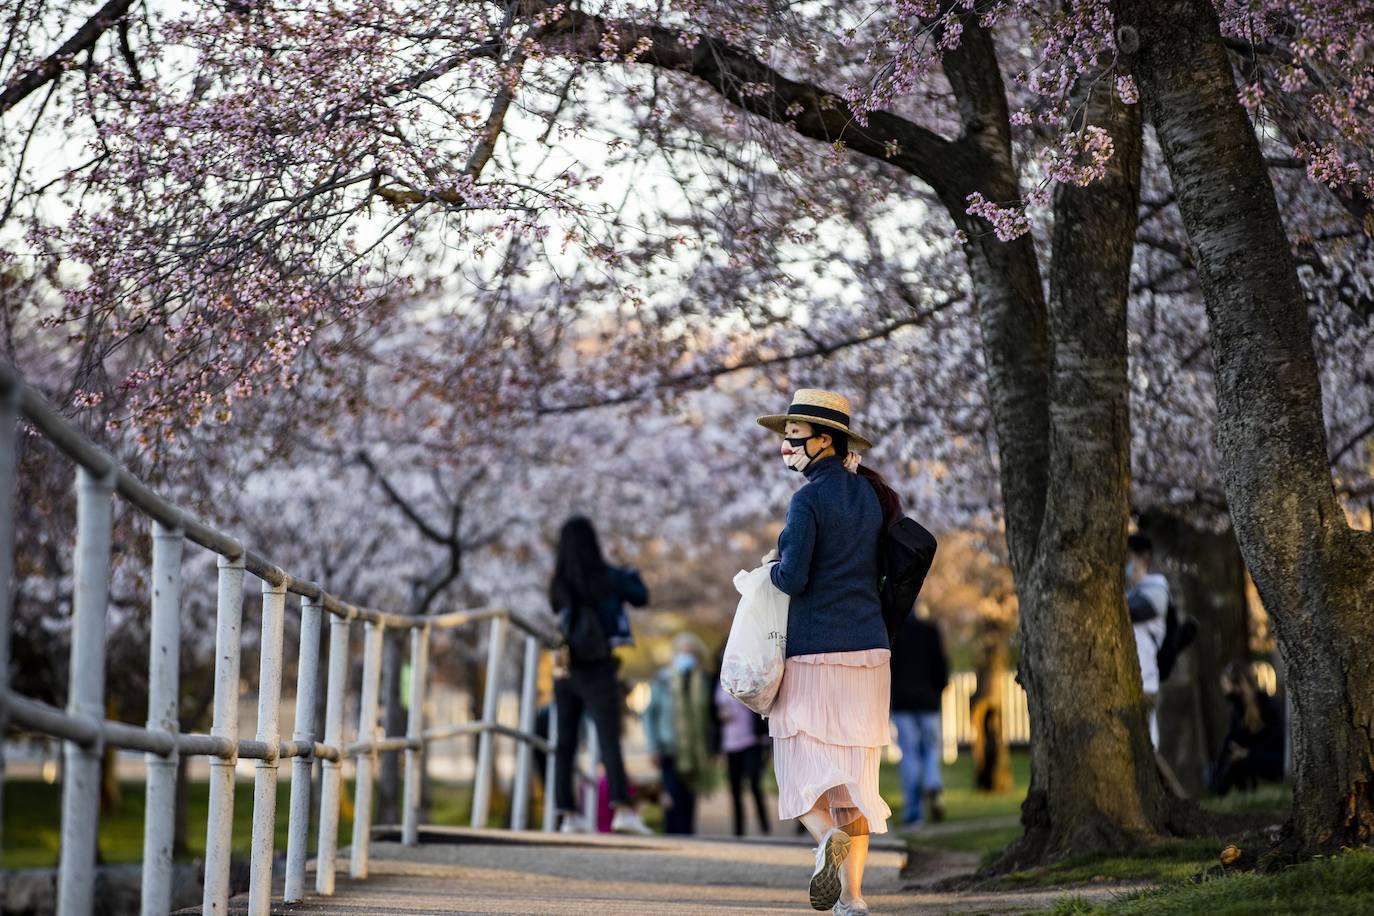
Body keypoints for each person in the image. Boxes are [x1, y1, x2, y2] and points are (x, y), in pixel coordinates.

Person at [757, 389, 901, 916]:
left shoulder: (808, 500)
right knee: (854, 786)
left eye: (795, 438)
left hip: (816, 653)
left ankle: (824, 841)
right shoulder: (873, 495)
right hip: (869, 656)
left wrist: (772, 566)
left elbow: (793, 579)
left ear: (825, 441)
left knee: (800, 776)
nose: (787, 447)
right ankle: (853, 899)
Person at [549, 515, 653, 835]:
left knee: (565, 742)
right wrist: (627, 568)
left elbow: (557, 612)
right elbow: (641, 596)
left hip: (566, 668)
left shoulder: (559, 582)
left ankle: (567, 815)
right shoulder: (607, 576)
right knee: (609, 739)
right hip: (599, 667)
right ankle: (622, 809)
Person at [644, 632, 715, 834]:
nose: (687, 657)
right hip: (669, 748)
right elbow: (649, 715)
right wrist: (653, 747)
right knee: (672, 797)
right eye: (683, 652)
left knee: (689, 798)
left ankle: (687, 838)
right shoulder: (663, 680)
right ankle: (671, 836)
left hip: (695, 752)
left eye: (691, 652)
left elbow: (710, 717)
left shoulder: (704, 682)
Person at [889, 610, 949, 829]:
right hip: (928, 701)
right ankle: (932, 782)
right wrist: (937, 691)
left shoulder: (894, 633)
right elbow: (942, 667)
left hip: (903, 702)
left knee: (909, 754)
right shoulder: (930, 631)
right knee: (931, 749)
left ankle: (914, 813)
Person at [1210, 661, 1285, 795]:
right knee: (1232, 758)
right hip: (1252, 756)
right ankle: (1216, 790)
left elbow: (1277, 739)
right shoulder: (1239, 708)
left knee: (1239, 762)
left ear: (1238, 684)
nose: (1224, 689)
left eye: (1226, 684)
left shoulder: (1265, 703)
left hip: (1273, 759)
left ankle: (1218, 793)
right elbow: (1232, 739)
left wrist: (1248, 753)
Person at [1126, 533, 1170, 746]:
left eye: (1129, 557)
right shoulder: (1130, 592)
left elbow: (1133, 611)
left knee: (1143, 743)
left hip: (1145, 680)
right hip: (1130, 677)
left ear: (1143, 558)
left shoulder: (1157, 589)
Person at [716, 678, 772, 837]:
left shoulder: (747, 676)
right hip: (730, 743)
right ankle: (738, 830)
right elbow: (714, 711)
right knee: (735, 788)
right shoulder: (718, 682)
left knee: (755, 784)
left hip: (751, 741)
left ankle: (764, 826)